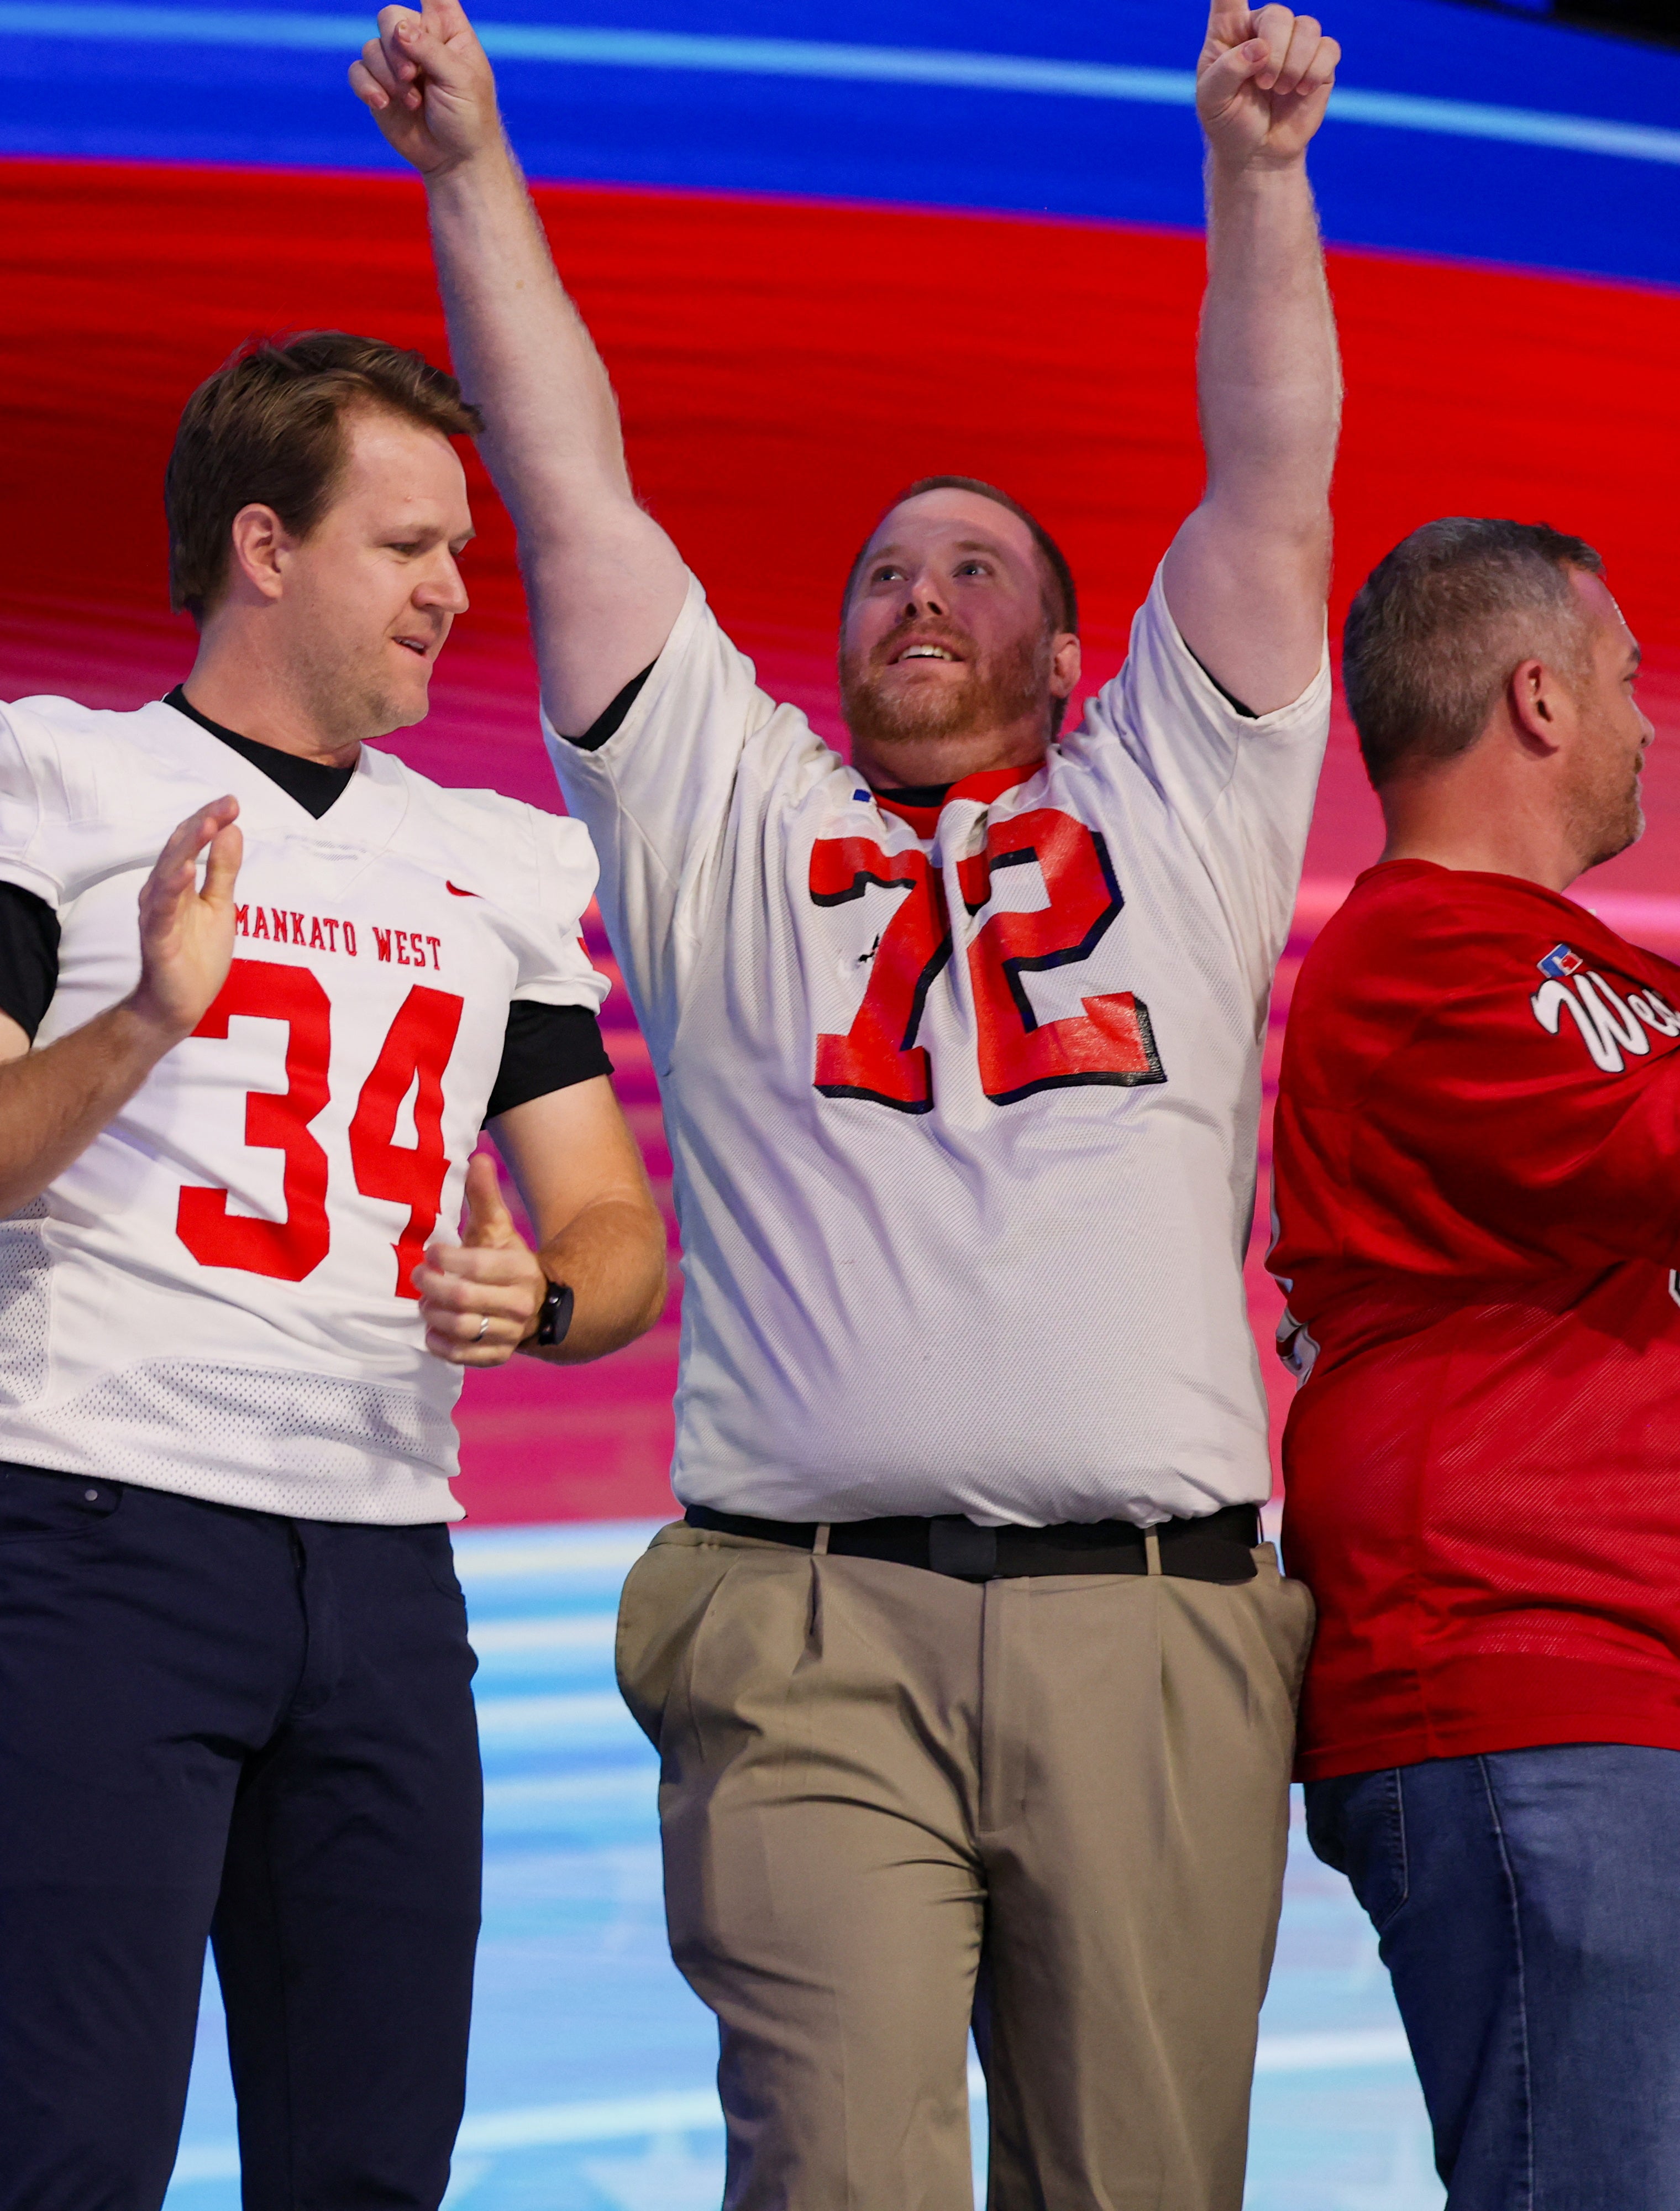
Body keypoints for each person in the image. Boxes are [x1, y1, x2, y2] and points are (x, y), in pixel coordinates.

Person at [359, 1, 1343, 2200]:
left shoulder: (1181, 791)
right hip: (806, 1621)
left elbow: (1275, 486)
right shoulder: (718, 807)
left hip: (1151, 1622)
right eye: (886, 568)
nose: (919, 589)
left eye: (974, 566)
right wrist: (470, 175)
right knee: (828, 2166)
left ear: (1082, 656)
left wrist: (1260, 177)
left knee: (1139, 2180)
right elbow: (570, 479)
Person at [0, 330, 670, 2210]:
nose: (456, 592)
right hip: (103, 1527)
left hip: (383, 1563)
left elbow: (616, 1232)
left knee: (373, 2165)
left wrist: (537, 1303)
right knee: (79, 2154)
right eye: (407, 546)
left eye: (464, 549)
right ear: (265, 547)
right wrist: (144, 1020)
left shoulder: (493, 859)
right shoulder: (46, 771)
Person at [1268, 520, 1670, 2210]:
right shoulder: (1414, 958)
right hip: (1527, 1687)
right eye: (1631, 677)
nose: (1651, 721)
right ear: (1541, 697)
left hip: (1616, 1686)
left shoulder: (1612, 974)